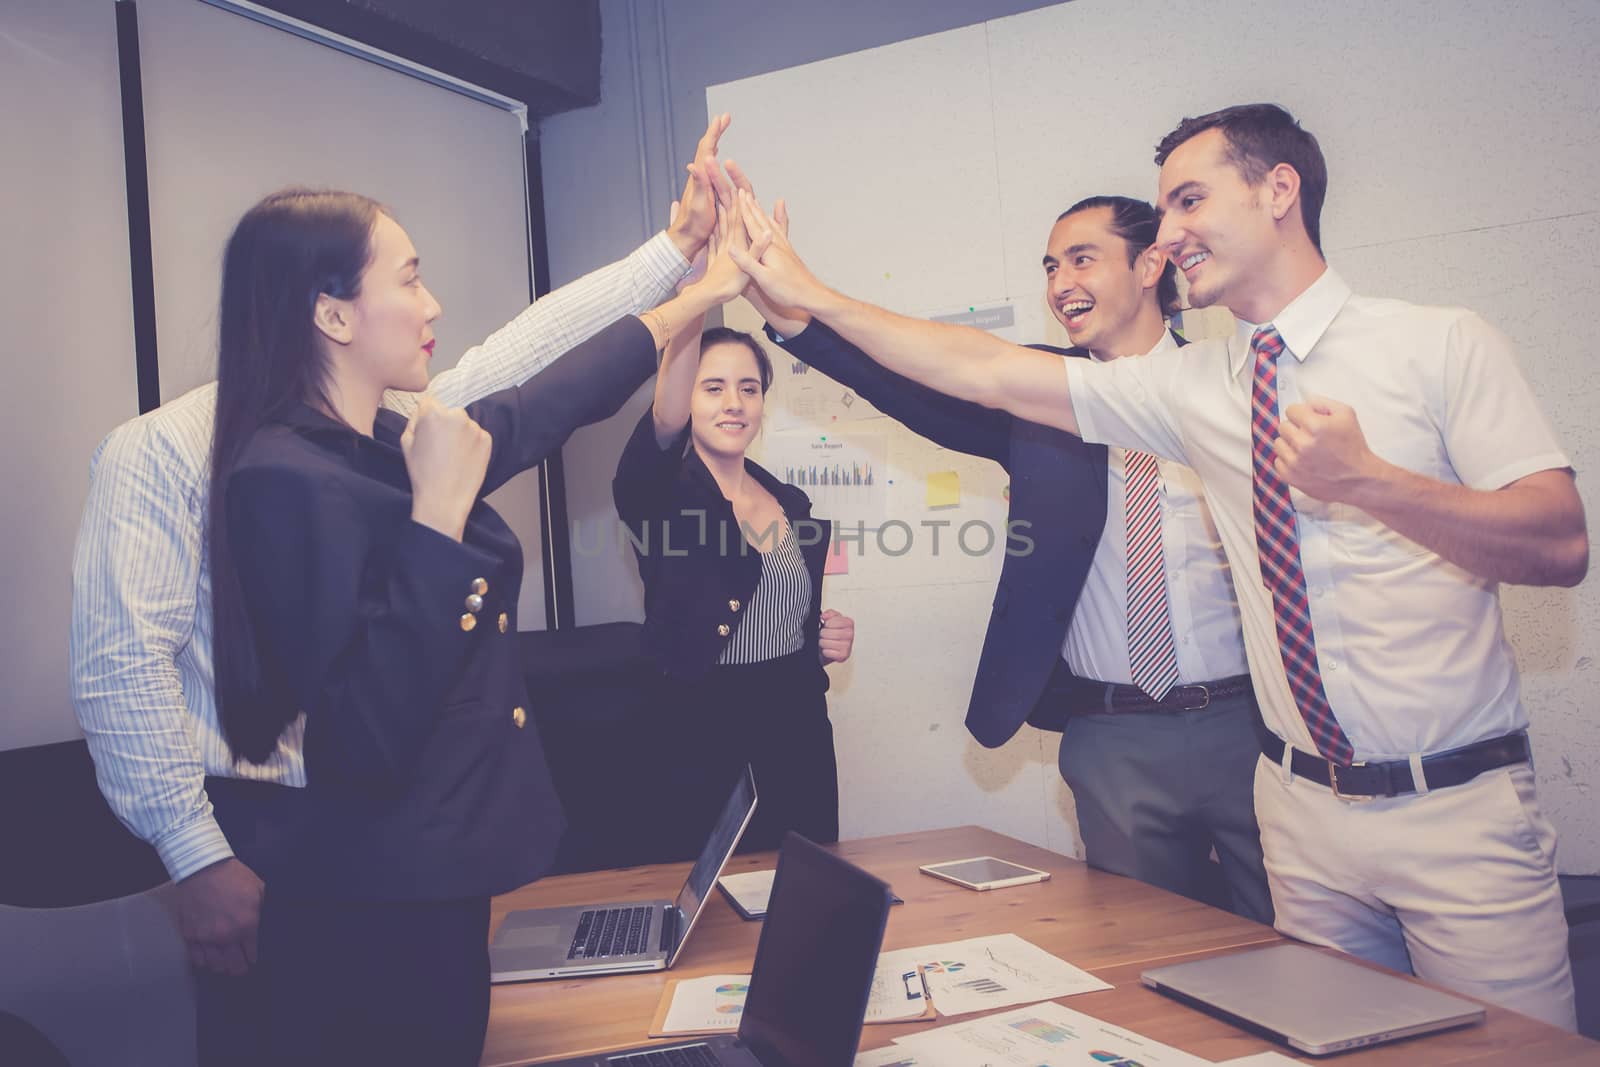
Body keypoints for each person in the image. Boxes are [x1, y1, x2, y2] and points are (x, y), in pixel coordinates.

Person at [724, 103, 1587, 1029]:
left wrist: (1373, 482)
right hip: (1290, 801)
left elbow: (1559, 542)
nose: (1170, 232)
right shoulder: (1192, 388)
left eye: (1187, 201)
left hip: (1440, 796)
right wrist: (811, 299)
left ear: (1278, 191)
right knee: (1297, 1033)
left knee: (1514, 1048)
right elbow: (977, 369)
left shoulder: (1436, 343)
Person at [68, 114, 733, 1066]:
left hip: (386, 845)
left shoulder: (386, 429)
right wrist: (197, 854)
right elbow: (119, 667)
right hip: (270, 844)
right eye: (411, 277)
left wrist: (675, 257)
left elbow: (530, 363)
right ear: (331, 313)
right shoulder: (168, 453)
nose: (432, 304)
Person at [733, 177, 1270, 921]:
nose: (1061, 283)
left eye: (1082, 260)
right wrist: (794, 322)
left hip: (1248, 728)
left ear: (1150, 267)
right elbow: (907, 388)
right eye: (1050, 267)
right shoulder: (1041, 399)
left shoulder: (1226, 386)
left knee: (1295, 949)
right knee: (1150, 954)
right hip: (1112, 736)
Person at [612, 292, 855, 852]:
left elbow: (772, 610)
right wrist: (703, 284)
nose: (734, 403)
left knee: (806, 889)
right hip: (702, 733)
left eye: (749, 389)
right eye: (712, 387)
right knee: (718, 914)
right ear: (685, 399)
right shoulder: (658, 496)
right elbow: (662, 421)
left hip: (797, 726)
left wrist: (818, 638)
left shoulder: (791, 502)